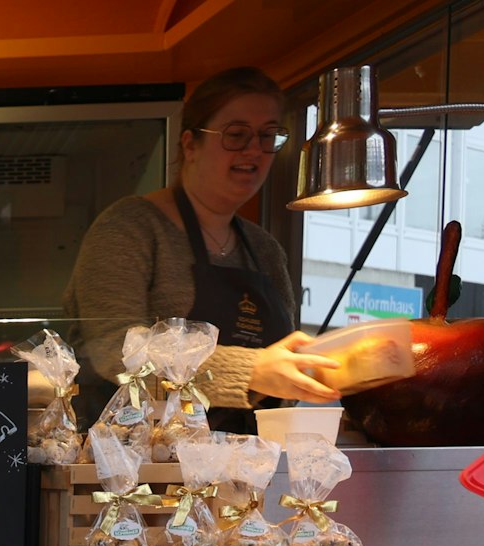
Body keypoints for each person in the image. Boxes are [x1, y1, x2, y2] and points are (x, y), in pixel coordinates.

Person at [63, 66, 341, 432]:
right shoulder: (129, 227)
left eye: (268, 135)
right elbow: (115, 351)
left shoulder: (264, 248)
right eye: (236, 135)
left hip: (247, 466)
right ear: (190, 144)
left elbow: (281, 360)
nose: (254, 150)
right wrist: (251, 370)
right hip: (142, 469)